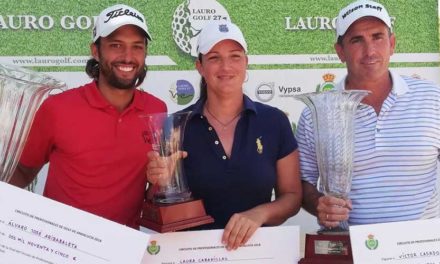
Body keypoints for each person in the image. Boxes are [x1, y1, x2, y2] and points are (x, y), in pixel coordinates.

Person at [147, 20, 302, 250]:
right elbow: (157, 204)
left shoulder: (274, 121)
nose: (226, 67)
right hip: (193, 254)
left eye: (235, 56)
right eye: (214, 58)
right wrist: (157, 184)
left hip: (258, 254)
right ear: (200, 66)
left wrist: (259, 213)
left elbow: (291, 196)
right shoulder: (176, 125)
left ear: (246, 63)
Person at [9, 4, 166, 229]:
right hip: (59, 247)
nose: (128, 57)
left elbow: (155, 191)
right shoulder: (58, 108)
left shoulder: (156, 110)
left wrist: (162, 181)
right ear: (95, 51)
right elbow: (23, 171)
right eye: (116, 45)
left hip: (123, 249)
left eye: (137, 47)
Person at [297, 0, 440, 229]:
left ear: (392, 44)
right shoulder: (316, 113)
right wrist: (320, 205)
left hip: (419, 248)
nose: (370, 51)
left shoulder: (433, 98)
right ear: (340, 51)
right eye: (356, 40)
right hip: (349, 249)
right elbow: (303, 182)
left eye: (377, 37)